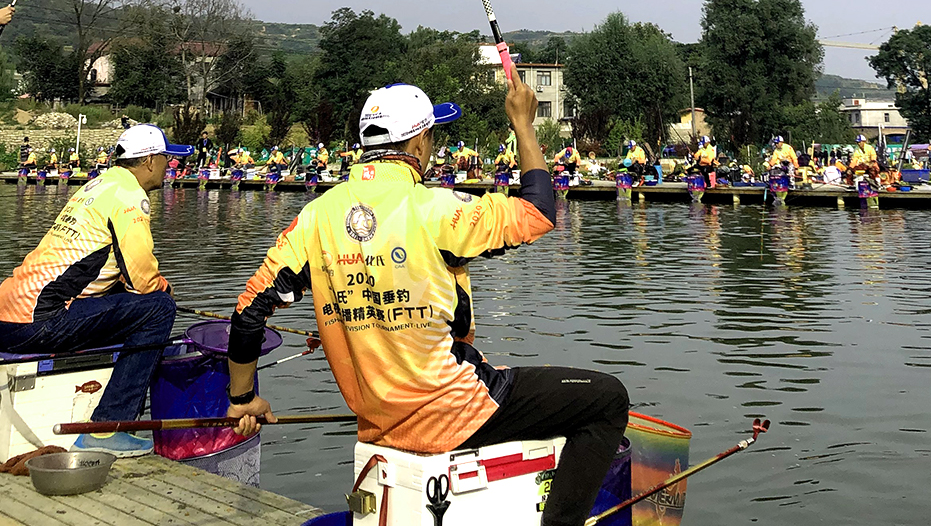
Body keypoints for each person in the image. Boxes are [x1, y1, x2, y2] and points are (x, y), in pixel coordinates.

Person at [224, 79, 628, 526]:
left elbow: (248, 312)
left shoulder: (315, 217)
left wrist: (242, 398)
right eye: (434, 135)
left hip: (379, 419)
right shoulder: (434, 208)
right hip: (453, 410)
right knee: (606, 399)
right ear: (419, 140)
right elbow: (538, 213)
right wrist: (523, 126)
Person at [0, 125, 192, 457]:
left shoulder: (97, 185)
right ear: (151, 160)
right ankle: (109, 427)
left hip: (1, 319)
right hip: (37, 321)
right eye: (168, 159)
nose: (170, 167)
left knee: (133, 304)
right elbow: (142, 279)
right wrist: (164, 289)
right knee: (160, 308)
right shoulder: (129, 197)